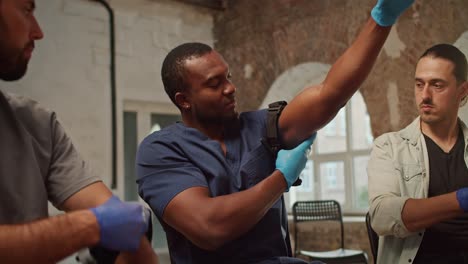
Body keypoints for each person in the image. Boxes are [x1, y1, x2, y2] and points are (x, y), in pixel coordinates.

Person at [136, 0, 415, 263]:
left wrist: (380, 20)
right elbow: (210, 227)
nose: (230, 88)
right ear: (183, 99)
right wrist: (282, 178)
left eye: (229, 77)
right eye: (214, 83)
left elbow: (329, 95)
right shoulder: (161, 150)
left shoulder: (258, 126)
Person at [0, 0, 159, 263]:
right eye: (26, 10)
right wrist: (89, 226)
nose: (38, 31)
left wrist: (124, 236)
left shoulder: (36, 124)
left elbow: (121, 228)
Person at [367, 44, 468, 264]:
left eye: (437, 85)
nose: (425, 96)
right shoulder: (389, 147)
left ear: (462, 91)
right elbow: (381, 216)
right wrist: (460, 200)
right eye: (419, 84)